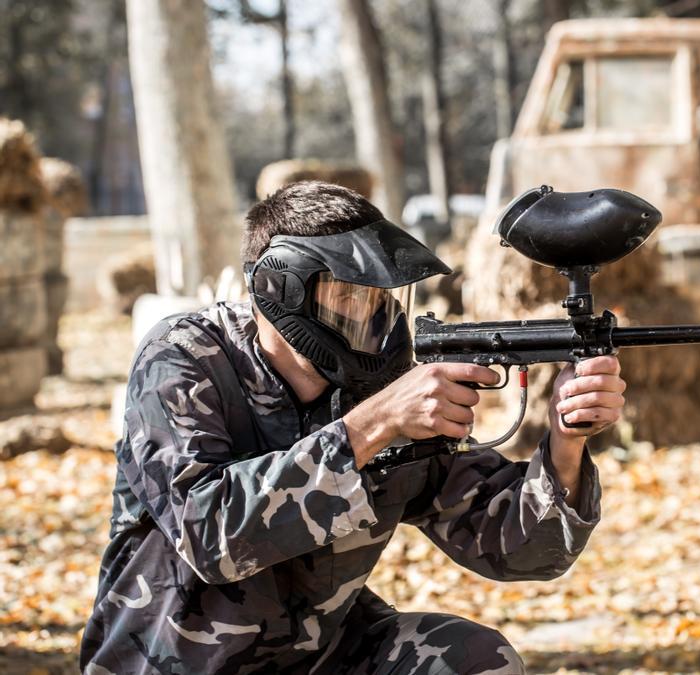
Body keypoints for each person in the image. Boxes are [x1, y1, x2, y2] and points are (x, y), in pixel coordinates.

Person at [80, 181, 626, 674]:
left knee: (474, 660)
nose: (368, 317)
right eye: (347, 296)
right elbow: (210, 534)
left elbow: (523, 550)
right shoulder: (186, 357)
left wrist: (565, 444)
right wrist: (377, 423)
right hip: (171, 663)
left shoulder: (381, 387)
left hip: (317, 657)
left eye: (376, 297)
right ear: (281, 289)